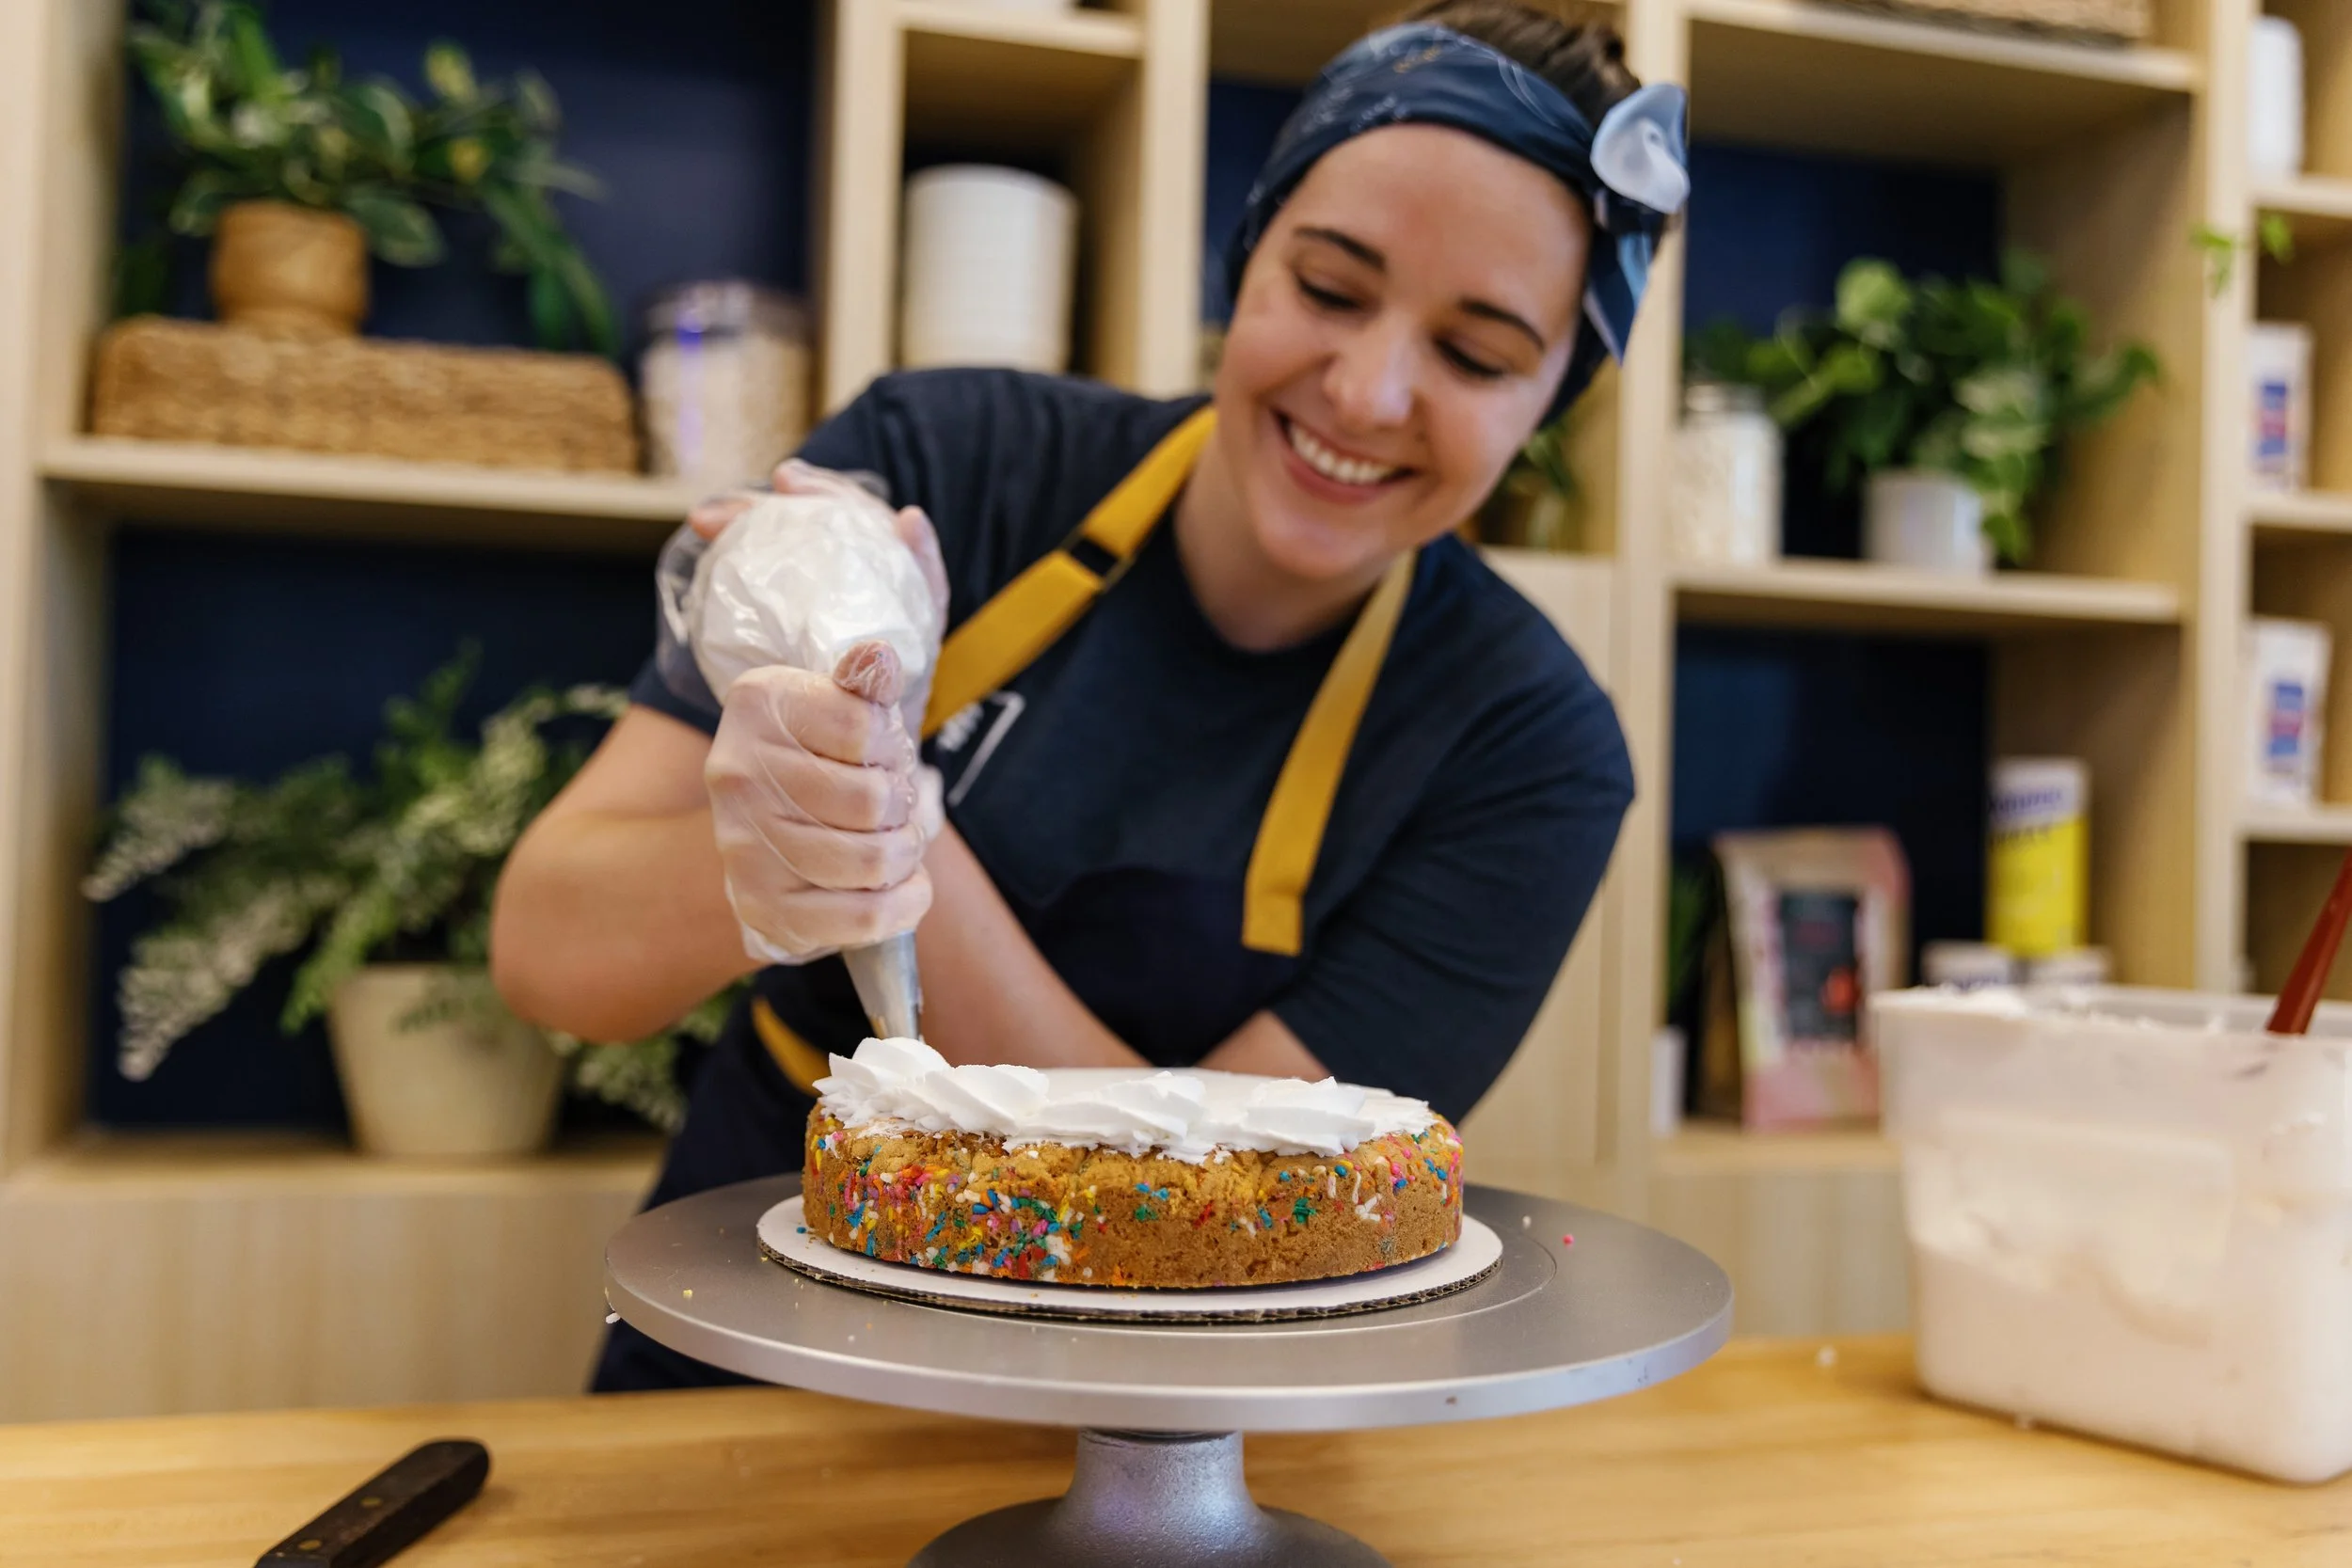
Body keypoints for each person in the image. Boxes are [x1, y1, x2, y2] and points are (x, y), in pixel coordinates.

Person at [491, 0, 1688, 1391]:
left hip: (1172, 1443)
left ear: (1553, 396)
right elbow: (547, 956)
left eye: (1478, 356)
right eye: (1329, 286)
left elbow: (1208, 1207)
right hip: (749, 1353)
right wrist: (774, 817)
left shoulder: (1525, 748)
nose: (1366, 391)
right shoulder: (946, 461)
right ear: (1246, 261)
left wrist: (898, 822)